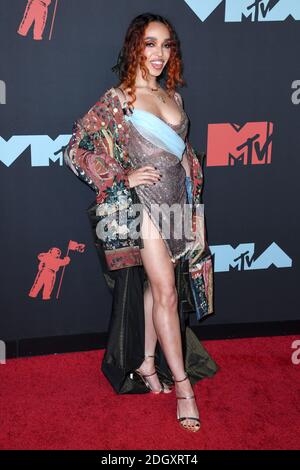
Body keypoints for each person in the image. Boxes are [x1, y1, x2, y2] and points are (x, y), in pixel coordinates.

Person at [64, 12, 218, 433]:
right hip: (144, 207)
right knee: (167, 290)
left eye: (167, 45)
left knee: (157, 289)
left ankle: (148, 363)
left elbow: (183, 155)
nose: (159, 54)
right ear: (135, 46)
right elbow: (76, 148)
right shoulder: (119, 99)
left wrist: (192, 196)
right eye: (150, 44)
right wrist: (119, 176)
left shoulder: (175, 98)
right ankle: (184, 387)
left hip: (177, 207)